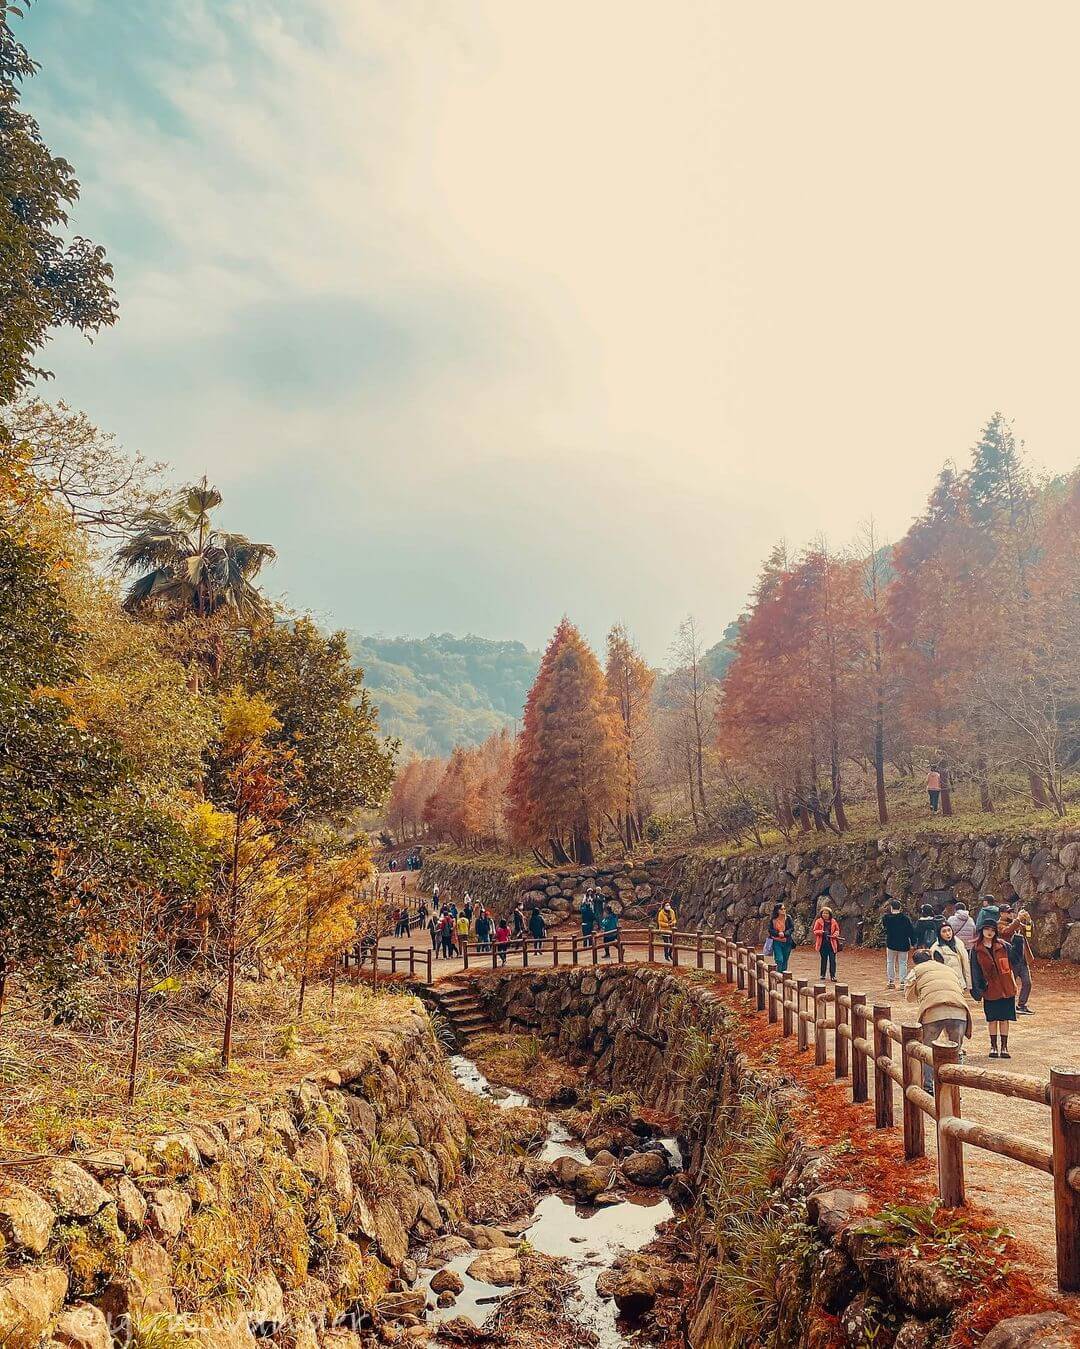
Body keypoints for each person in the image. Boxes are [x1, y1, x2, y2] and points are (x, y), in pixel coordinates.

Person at [905, 950, 972, 1090]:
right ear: (931, 958)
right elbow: (960, 987)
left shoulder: (916, 970)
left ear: (915, 962)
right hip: (959, 1011)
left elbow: (909, 997)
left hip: (933, 1010)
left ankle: (928, 1085)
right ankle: (954, 1087)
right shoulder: (948, 969)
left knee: (928, 1050)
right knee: (955, 1050)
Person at [970, 917, 1018, 1058]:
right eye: (987, 929)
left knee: (1004, 1018)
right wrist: (978, 989)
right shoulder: (976, 949)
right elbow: (975, 970)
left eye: (992, 930)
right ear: (982, 930)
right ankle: (993, 1046)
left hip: (1006, 987)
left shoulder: (1003, 945)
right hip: (990, 988)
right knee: (992, 1019)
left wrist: (1019, 939)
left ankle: (1004, 1047)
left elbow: (1015, 960)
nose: (989, 932)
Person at [999, 902, 1034, 1014]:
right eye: (1008, 912)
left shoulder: (1017, 924)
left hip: (1022, 959)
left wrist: (1029, 921)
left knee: (1027, 982)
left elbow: (1029, 934)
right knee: (1009, 984)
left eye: (1012, 912)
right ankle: (1009, 1005)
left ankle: (1022, 1004)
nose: (1011, 914)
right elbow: (1007, 931)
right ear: (1001, 913)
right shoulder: (999, 924)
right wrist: (1018, 919)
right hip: (1010, 959)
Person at [883, 901, 916, 988]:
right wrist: (913, 942)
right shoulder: (905, 918)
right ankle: (902, 982)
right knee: (903, 963)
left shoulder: (886, 918)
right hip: (903, 943)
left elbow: (885, 929)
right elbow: (911, 931)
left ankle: (891, 981)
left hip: (891, 942)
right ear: (900, 907)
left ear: (891, 907)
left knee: (890, 962)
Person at [931, 921, 971, 991]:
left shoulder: (958, 943)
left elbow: (965, 964)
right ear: (939, 934)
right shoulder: (936, 949)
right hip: (948, 986)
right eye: (944, 931)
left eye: (949, 930)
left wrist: (968, 984)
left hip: (960, 983)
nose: (948, 933)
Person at [813, 906, 841, 981]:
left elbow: (837, 930)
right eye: (823, 913)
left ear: (830, 914)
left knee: (832, 960)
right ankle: (822, 974)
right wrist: (822, 932)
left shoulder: (833, 921)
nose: (825, 914)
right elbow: (815, 931)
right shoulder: (818, 921)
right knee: (824, 959)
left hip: (831, 943)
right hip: (822, 944)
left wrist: (835, 934)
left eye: (826, 913)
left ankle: (833, 975)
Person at [767, 903, 795, 973]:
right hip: (776, 941)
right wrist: (778, 933)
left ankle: (784, 975)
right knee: (779, 959)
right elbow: (770, 930)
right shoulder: (773, 919)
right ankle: (779, 974)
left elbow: (791, 928)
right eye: (781, 909)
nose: (783, 910)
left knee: (785, 959)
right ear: (777, 910)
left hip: (787, 941)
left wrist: (785, 934)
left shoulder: (788, 918)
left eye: (784, 909)